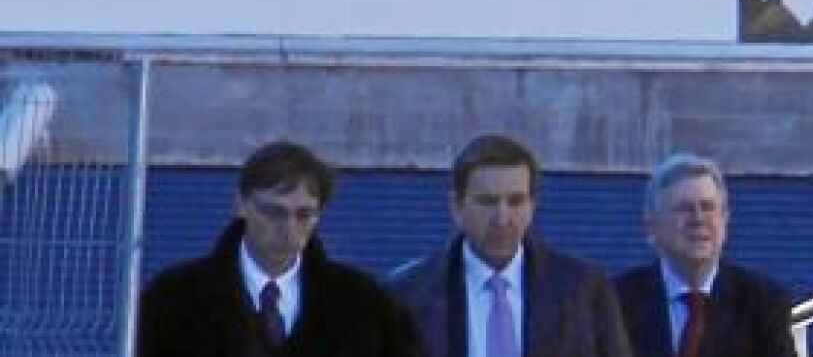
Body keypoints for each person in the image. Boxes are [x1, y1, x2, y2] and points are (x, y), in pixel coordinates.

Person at [137, 140, 424, 357]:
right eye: (273, 212)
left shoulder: (366, 306)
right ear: (241, 205)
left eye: (303, 215)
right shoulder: (172, 300)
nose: (288, 229)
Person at [386, 134, 632, 357]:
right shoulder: (408, 294)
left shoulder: (584, 290)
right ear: (456, 207)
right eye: (487, 202)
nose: (502, 219)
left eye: (515, 201)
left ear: (532, 206)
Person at [614, 153, 797, 357]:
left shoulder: (762, 303)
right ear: (653, 225)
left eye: (708, 207)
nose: (698, 219)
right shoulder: (617, 302)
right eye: (684, 209)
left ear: (725, 219)